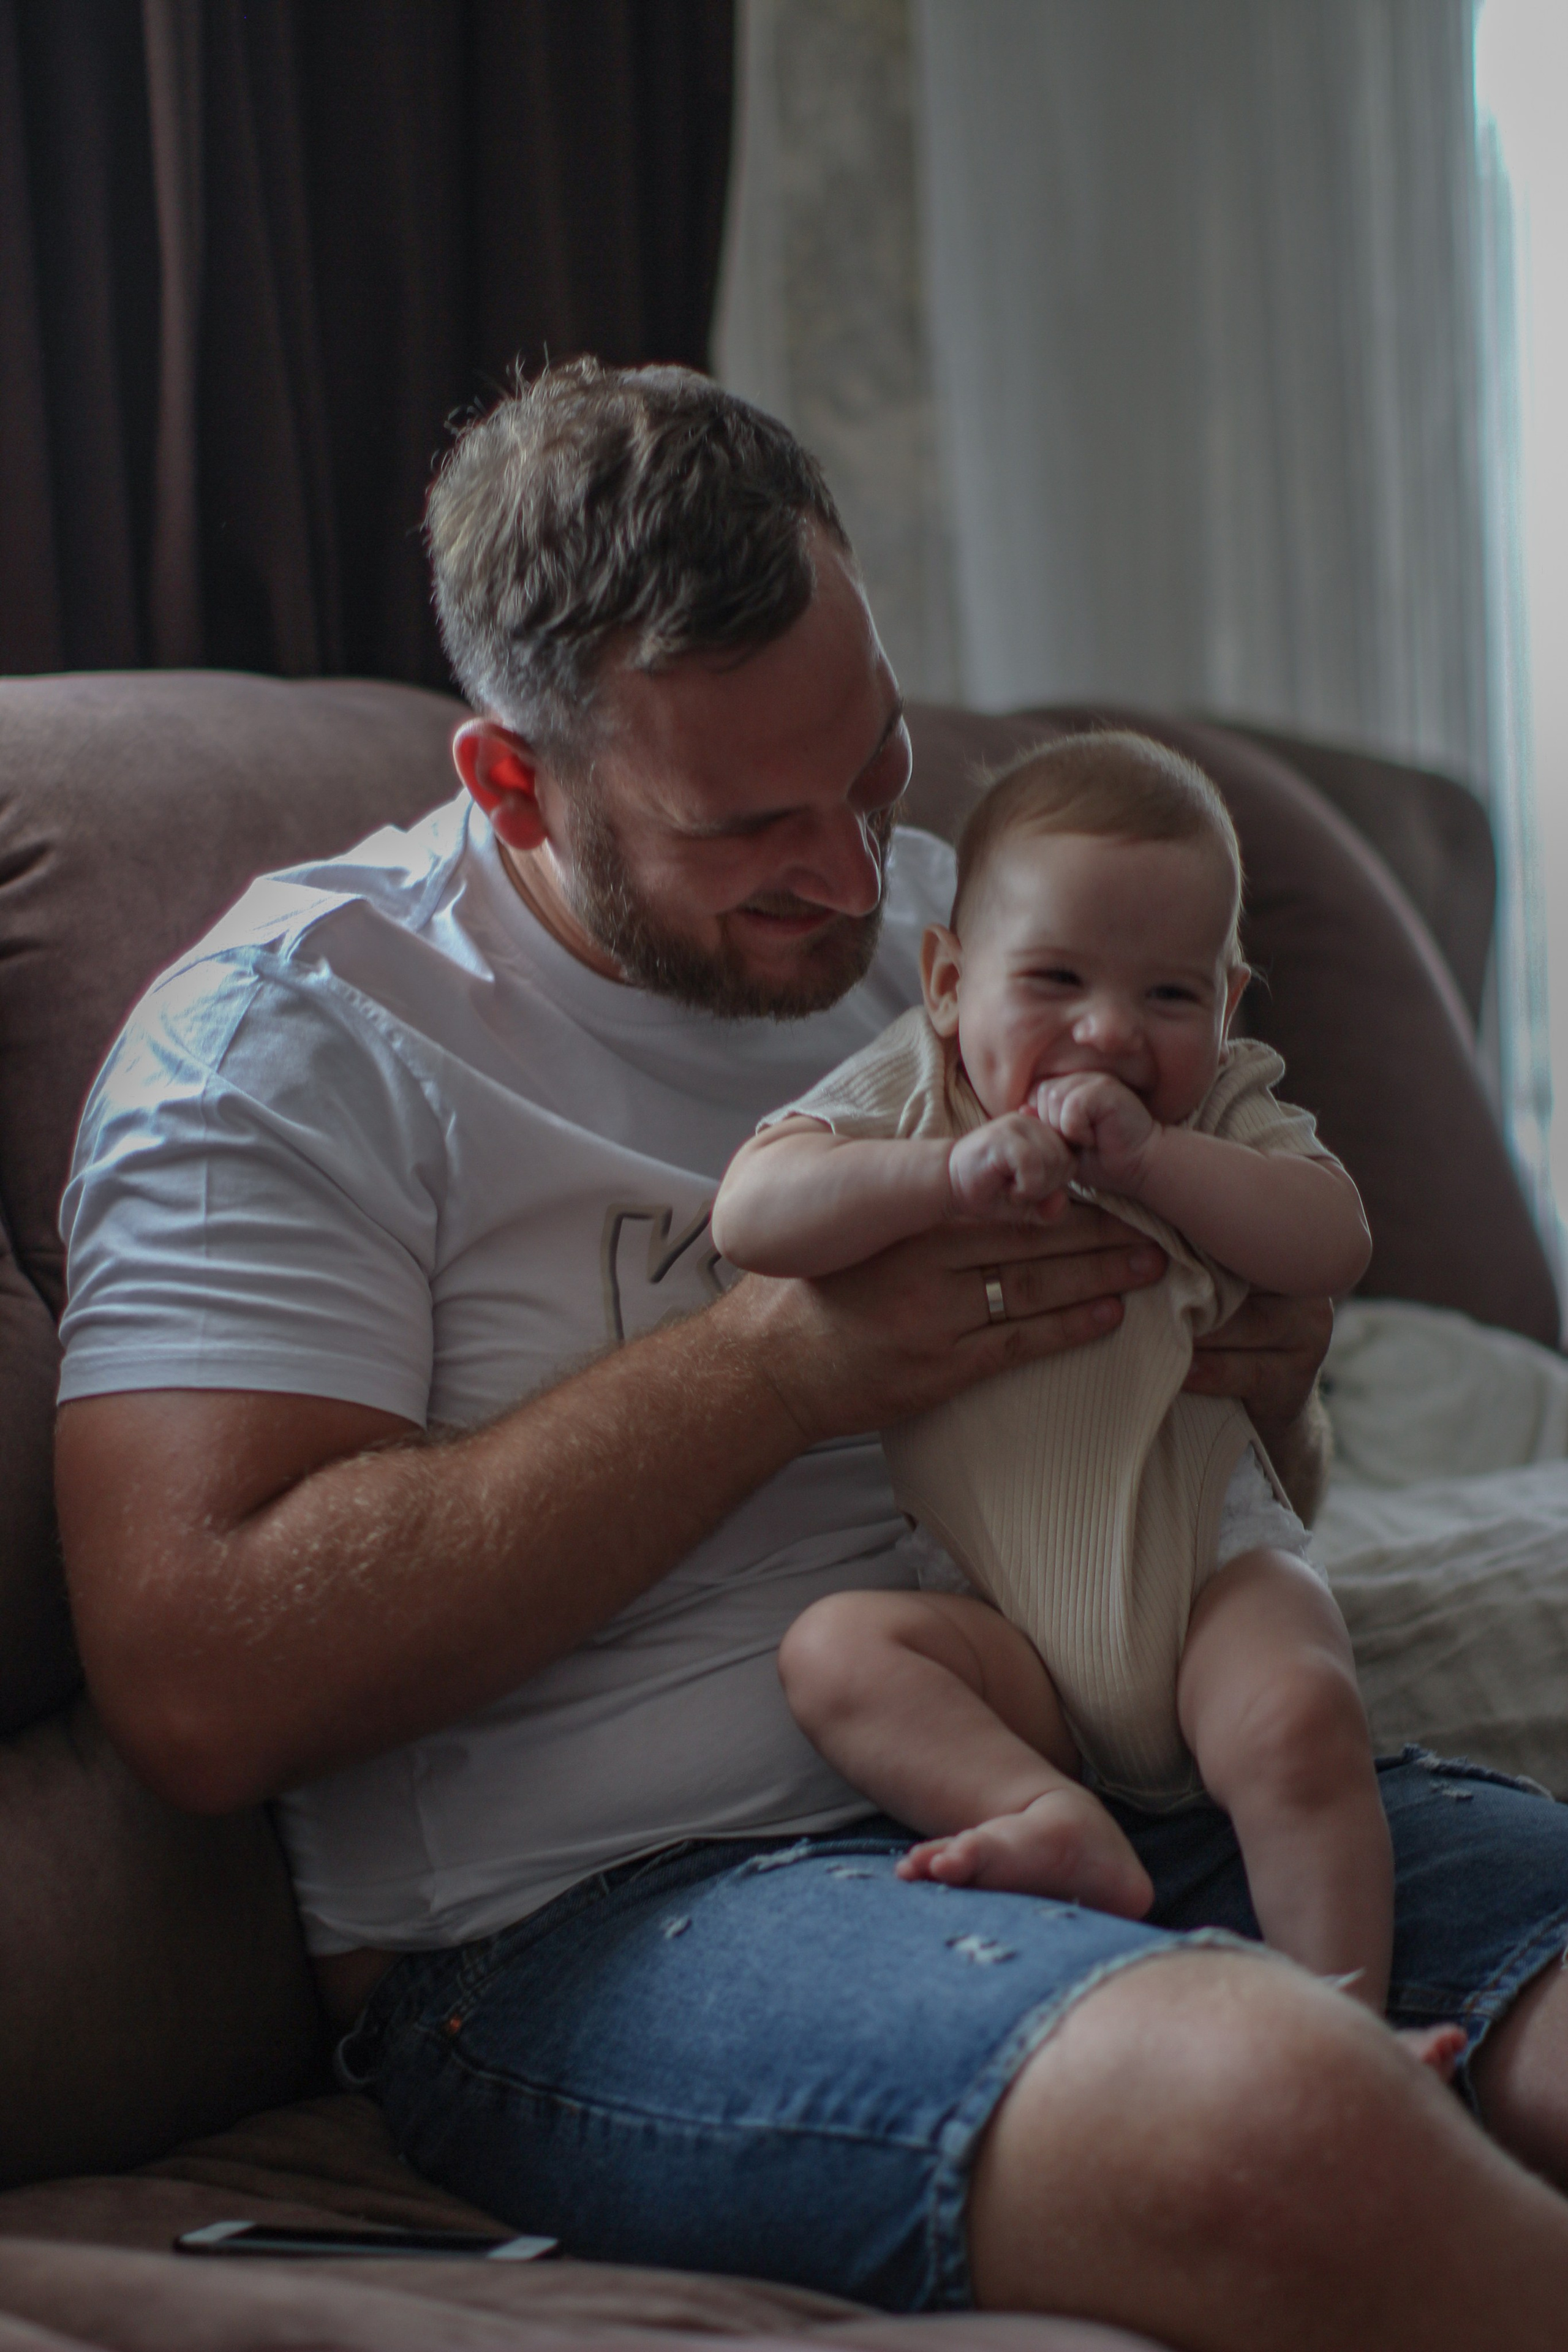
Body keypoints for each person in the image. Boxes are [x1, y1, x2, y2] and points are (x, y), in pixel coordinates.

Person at [50, 360, 1568, 2350]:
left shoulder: (977, 939)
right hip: (604, 1922)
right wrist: (777, 1371)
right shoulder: (294, 1046)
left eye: (877, 771)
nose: (856, 883)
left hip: (1130, 1754)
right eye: (753, 828)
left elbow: (1227, 1471)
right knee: (1273, 2124)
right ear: (516, 781)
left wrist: (1264, 1373)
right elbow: (198, 1675)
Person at [714, 733, 1409, 2028]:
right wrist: (937, 1181)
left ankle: (1344, 2022)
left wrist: (1153, 1166)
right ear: (943, 983)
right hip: (1000, 1631)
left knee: (1299, 1716)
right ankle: (1045, 1813)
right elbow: (752, 1213)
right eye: (1052, 980)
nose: (1107, 1031)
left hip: (1206, 1579)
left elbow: (1333, 1239)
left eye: (1167, 998)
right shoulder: (920, 1100)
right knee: (837, 1655)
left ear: (1228, 1002)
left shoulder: (1218, 1117)